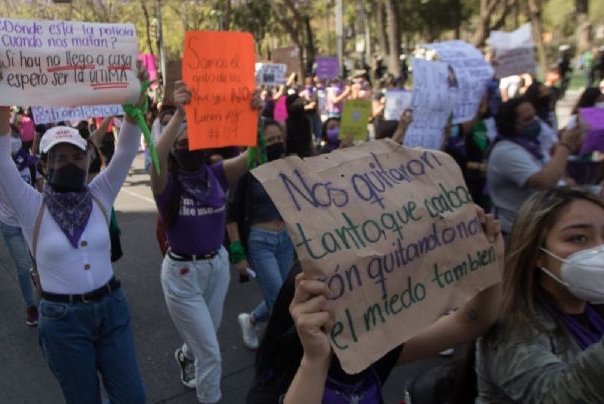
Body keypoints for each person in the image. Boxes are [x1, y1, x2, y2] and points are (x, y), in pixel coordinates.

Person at [0, 58, 146, 403]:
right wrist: (0, 103)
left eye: (76, 156)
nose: (69, 163)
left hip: (112, 309)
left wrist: (135, 100)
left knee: (133, 397)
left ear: (89, 160)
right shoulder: (32, 205)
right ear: (43, 165)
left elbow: (127, 150)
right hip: (63, 322)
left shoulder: (101, 193)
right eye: (58, 158)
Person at [247, 211, 504, 403]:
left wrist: (492, 262)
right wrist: (315, 360)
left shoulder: (370, 353)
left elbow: (470, 322)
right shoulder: (270, 391)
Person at [151, 81, 262, 403]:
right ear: (174, 148)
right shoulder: (167, 183)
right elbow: (157, 155)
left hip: (217, 267)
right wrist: (180, 115)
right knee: (211, 353)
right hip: (182, 275)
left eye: (191, 139)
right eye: (180, 142)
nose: (186, 145)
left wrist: (255, 117)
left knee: (205, 338)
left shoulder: (216, 173)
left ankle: (186, 355)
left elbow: (250, 158)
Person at [476, 188, 604, 403]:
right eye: (579, 238)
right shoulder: (510, 327)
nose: (599, 249)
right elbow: (555, 396)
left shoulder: (594, 307)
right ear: (538, 254)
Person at [227, 119, 293, 351]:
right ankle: (277, 352)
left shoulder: (286, 165)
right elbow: (231, 213)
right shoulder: (247, 170)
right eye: (270, 140)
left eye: (279, 138)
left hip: (285, 240)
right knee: (279, 301)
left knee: (286, 295)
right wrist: (238, 253)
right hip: (260, 242)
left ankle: (252, 319)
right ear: (259, 143)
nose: (276, 143)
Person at [486, 98, 584, 235]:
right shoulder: (506, 152)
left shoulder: (531, 144)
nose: (535, 122)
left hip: (539, 225)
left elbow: (553, 170)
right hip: (518, 233)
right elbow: (545, 182)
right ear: (511, 125)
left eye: (535, 116)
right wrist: (565, 146)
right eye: (528, 119)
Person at [0, 129, 42, 326]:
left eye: (14, 136)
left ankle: (47, 299)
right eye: (7, 136)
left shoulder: (30, 162)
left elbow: (42, 188)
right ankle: (31, 306)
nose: (12, 140)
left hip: (33, 221)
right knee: (24, 266)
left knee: (41, 265)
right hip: (10, 223)